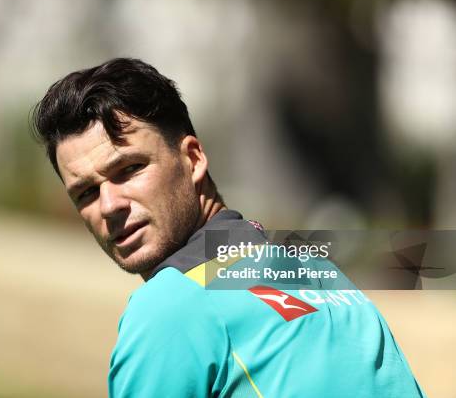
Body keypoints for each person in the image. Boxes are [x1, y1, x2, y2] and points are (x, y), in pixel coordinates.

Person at [32, 58, 426, 398]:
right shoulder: (315, 270)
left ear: (193, 157)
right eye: (84, 193)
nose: (109, 205)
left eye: (129, 169)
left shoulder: (170, 307)